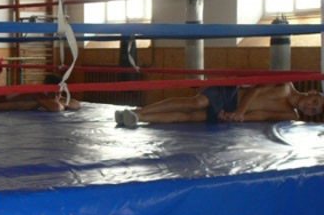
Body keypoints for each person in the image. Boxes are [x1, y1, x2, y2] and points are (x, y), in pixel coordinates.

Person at [115, 82, 324, 128]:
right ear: (312, 92)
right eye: (314, 102)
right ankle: (138, 110)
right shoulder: (286, 85)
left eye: (314, 110)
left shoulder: (292, 115)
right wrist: (240, 111)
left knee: (189, 118)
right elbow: (255, 91)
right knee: (195, 103)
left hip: (234, 110)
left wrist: (237, 117)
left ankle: (138, 118)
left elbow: (263, 115)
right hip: (231, 93)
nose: (310, 107)